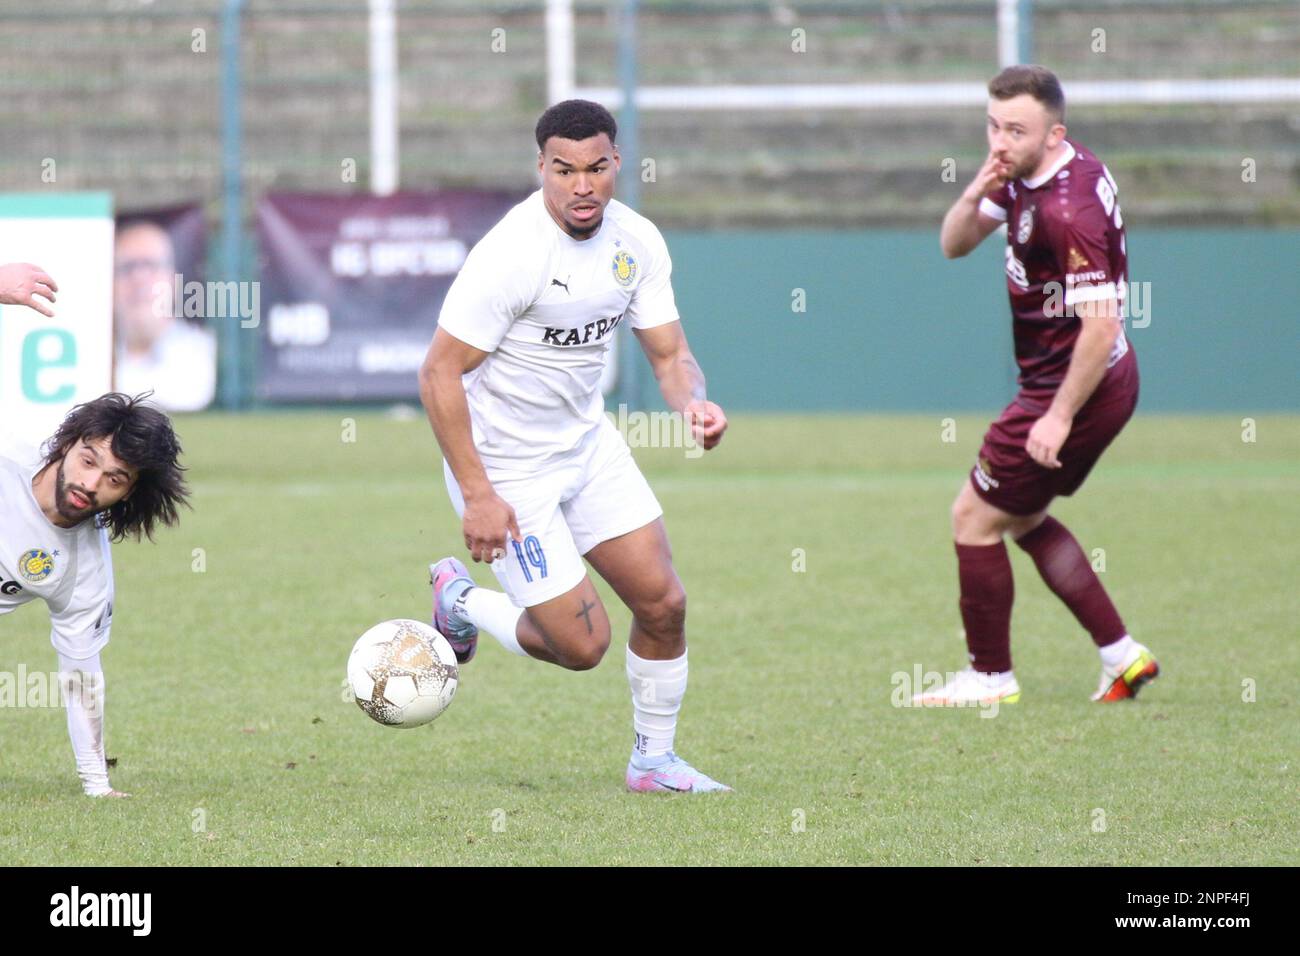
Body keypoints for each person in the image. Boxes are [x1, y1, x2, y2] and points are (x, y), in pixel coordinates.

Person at [420, 99, 731, 793]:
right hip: (508, 469)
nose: (581, 186)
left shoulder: (637, 242)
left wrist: (694, 403)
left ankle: (653, 763)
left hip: (588, 447)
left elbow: (671, 355)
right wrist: (478, 493)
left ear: (617, 162)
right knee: (581, 647)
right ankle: (462, 601)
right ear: (542, 169)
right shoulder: (511, 255)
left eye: (596, 168)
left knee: (665, 605)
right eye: (564, 170)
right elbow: (438, 371)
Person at [917, 65, 1158, 706]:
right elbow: (953, 244)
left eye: (1015, 130)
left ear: (1055, 134)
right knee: (1022, 518)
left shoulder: (1066, 207)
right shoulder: (1024, 171)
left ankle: (989, 677)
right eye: (993, 126)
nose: (1000, 140)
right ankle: (1122, 656)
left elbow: (1101, 327)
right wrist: (975, 191)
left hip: (1074, 385)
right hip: (1073, 381)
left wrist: (1056, 417)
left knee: (972, 518)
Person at [0, 393, 189, 796]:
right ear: (68, 443)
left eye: (115, 479)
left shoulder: (85, 574)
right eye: (89, 461)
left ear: (128, 495)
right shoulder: (8, 449)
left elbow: (81, 679)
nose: (91, 483)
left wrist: (96, 784)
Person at [114, 220, 216, 412]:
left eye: (151, 265)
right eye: (127, 267)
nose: (139, 278)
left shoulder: (204, 350)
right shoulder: (90, 357)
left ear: (174, 279)